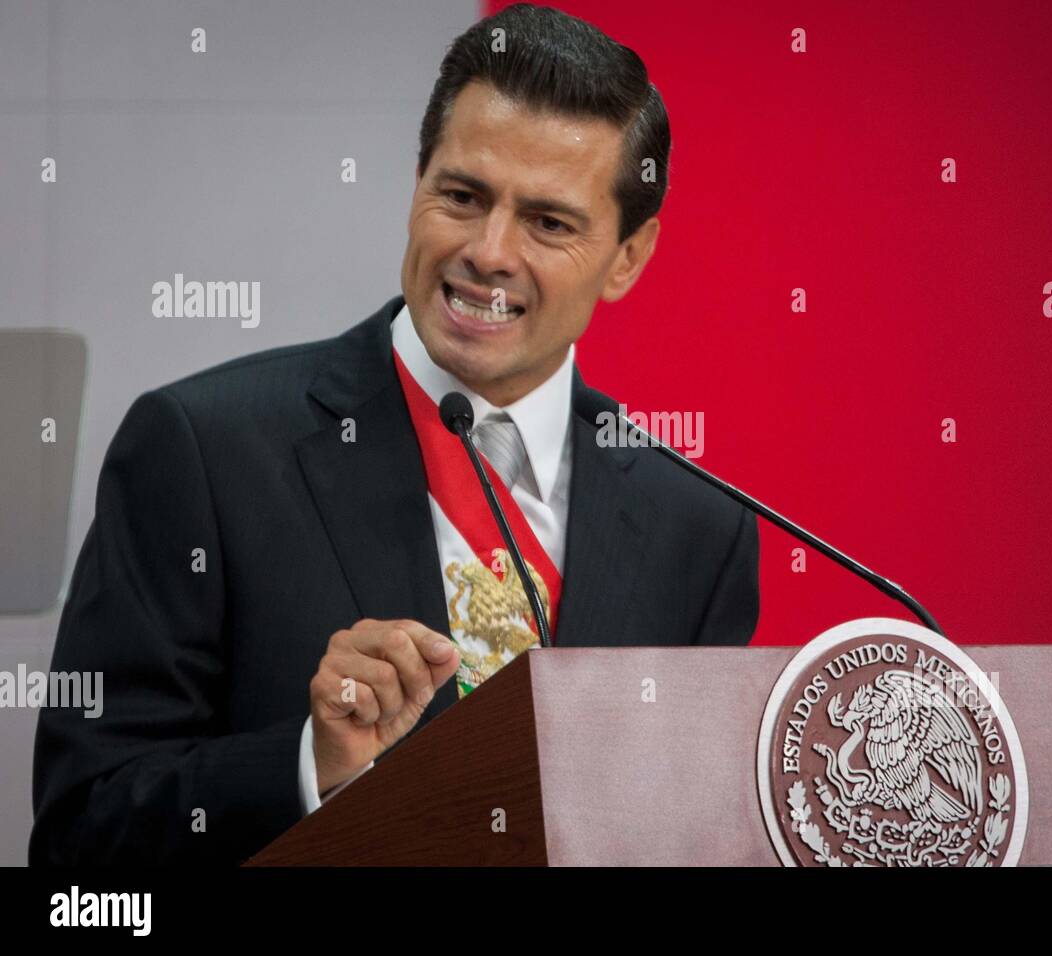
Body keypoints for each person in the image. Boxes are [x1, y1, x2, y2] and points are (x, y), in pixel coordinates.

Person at [29, 3, 758, 865]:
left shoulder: (698, 529)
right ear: (417, 184)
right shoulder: (203, 449)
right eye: (463, 196)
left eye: (548, 223)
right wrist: (313, 766)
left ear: (628, 257)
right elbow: (82, 840)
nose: (490, 251)